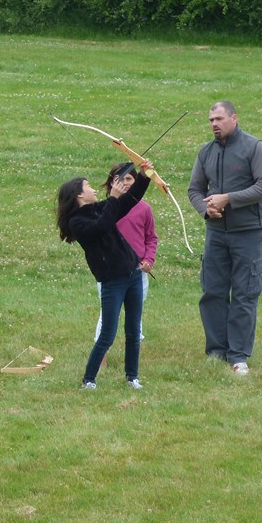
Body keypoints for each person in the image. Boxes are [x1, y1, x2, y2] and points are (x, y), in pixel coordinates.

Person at [187, 100, 262, 375]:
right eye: (211, 120)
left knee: (244, 293)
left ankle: (238, 356)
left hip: (248, 233)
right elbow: (194, 190)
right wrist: (206, 209)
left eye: (219, 119)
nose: (214, 124)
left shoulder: (254, 147)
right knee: (212, 292)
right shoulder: (206, 152)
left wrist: (228, 199)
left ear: (234, 118)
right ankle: (216, 351)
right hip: (216, 234)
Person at [57, 162, 153, 390]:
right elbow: (101, 226)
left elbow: (130, 201)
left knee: (133, 330)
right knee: (108, 334)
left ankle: (132, 377)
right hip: (113, 281)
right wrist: (113, 198)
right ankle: (88, 380)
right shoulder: (77, 222)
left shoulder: (100, 207)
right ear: (79, 195)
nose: (93, 189)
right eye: (88, 186)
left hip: (133, 275)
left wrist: (144, 176)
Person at [94, 162, 158, 366]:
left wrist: (148, 260)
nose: (125, 183)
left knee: (135, 315)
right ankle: (101, 358)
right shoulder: (105, 209)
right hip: (112, 271)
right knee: (107, 315)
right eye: (119, 179)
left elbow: (151, 238)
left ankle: (133, 363)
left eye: (129, 178)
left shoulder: (144, 208)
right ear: (111, 183)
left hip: (137, 270)